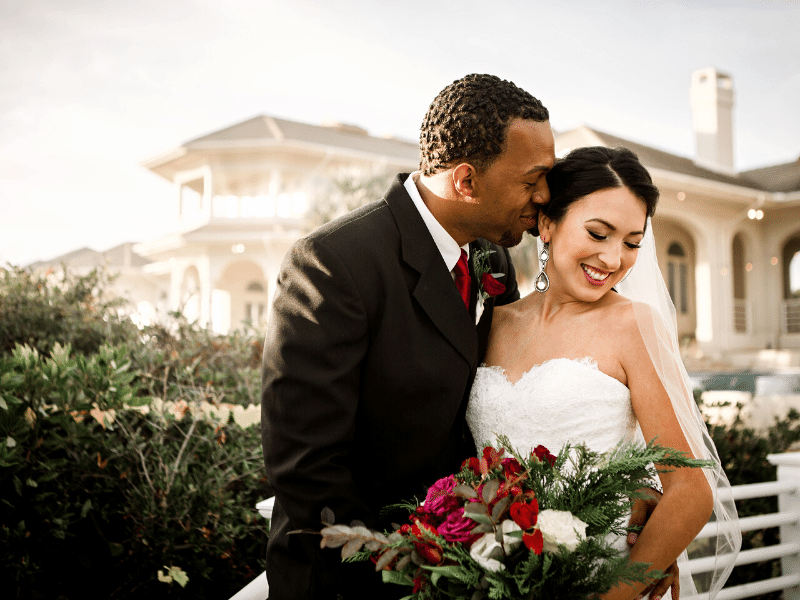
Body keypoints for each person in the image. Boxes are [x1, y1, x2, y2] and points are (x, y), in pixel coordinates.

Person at [261, 74, 552, 599]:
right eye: (533, 180)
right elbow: (308, 469)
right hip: (352, 582)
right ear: (466, 183)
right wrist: (414, 577)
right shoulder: (332, 263)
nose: (545, 196)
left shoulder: (493, 259)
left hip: (469, 569)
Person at [466, 146, 741, 600]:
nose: (613, 260)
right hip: (491, 575)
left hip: (599, 576)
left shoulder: (634, 325)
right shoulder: (491, 323)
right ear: (547, 223)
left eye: (632, 243)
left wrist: (616, 591)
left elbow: (690, 489)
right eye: (598, 234)